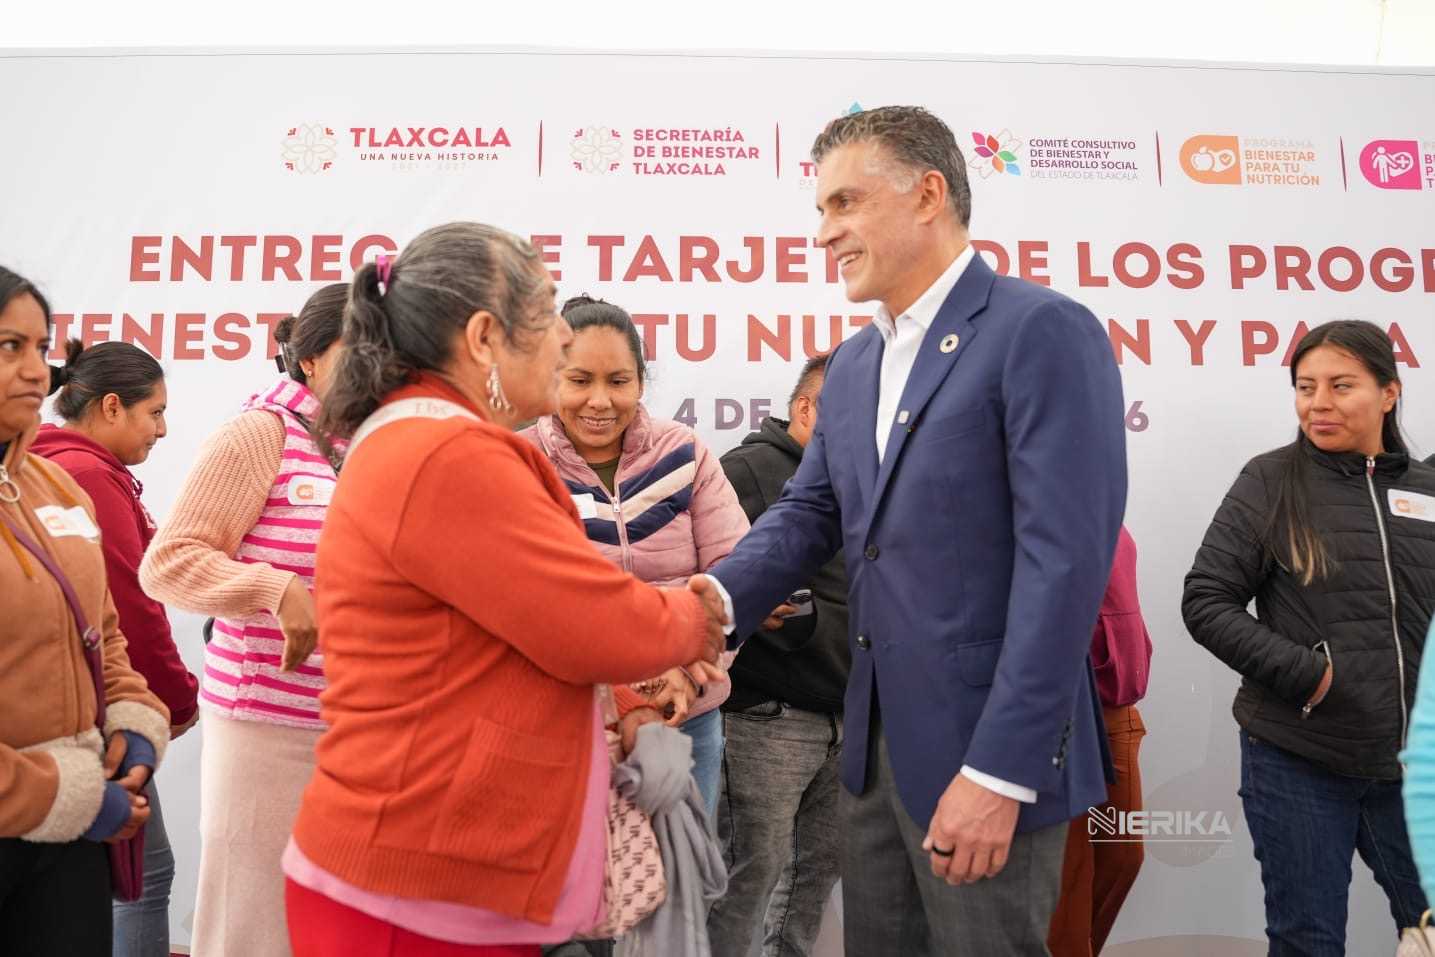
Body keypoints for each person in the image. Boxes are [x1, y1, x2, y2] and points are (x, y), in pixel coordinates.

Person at [701, 106, 1127, 955]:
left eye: (844, 203)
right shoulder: (854, 362)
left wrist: (999, 770)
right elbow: (808, 514)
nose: (824, 234)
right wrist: (706, 606)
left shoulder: (1040, 330)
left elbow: (1064, 567)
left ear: (929, 193)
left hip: (984, 756)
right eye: (820, 210)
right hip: (870, 750)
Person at [281, 222, 726, 957]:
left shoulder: (430, 437)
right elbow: (591, 622)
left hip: (435, 872)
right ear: (485, 335)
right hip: (415, 889)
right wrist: (695, 615)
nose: (562, 339)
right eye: (550, 313)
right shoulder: (445, 451)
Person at [1184, 319, 1435, 954]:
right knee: (1307, 941)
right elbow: (1206, 600)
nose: (1318, 403)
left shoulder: (1425, 490)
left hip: (1413, 766)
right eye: (1305, 386)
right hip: (1299, 756)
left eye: (1341, 385)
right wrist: (1310, 675)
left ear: (1389, 392)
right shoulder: (1270, 481)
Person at [139, 283, 348, 957]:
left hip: (366, 729)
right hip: (269, 729)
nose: (382, 365)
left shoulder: (377, 443)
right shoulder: (262, 431)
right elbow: (168, 562)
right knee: (254, 928)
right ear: (310, 359)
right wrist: (272, 586)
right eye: (363, 348)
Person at [522, 294, 749, 818]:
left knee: (682, 882)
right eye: (579, 380)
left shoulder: (684, 452)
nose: (599, 401)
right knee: (583, 889)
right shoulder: (522, 461)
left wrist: (687, 674)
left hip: (685, 714)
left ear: (641, 383)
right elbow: (526, 603)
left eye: (618, 381)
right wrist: (622, 696)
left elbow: (735, 575)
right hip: (572, 721)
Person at [0, 265, 171, 956]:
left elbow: (104, 635)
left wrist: (131, 724)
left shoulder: (53, 486)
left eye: (42, 349)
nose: (36, 370)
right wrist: (59, 793)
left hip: (70, 839)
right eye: (10, 346)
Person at [31, 339, 199, 957]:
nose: (162, 428)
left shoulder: (56, 468)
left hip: (77, 707)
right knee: (143, 879)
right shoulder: (89, 477)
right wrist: (175, 702)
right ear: (109, 408)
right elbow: (130, 604)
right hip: (100, 712)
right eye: (153, 412)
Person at [706, 351, 852, 957]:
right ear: (804, 408)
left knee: (812, 882)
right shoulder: (745, 469)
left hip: (850, 718)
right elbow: (715, 578)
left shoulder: (866, 482)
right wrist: (789, 623)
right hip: (767, 717)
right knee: (745, 879)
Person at [1048, 526, 1152, 957]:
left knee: (1124, 858)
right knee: (1071, 879)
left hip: (1116, 711)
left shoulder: (1098, 491)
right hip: (1062, 716)